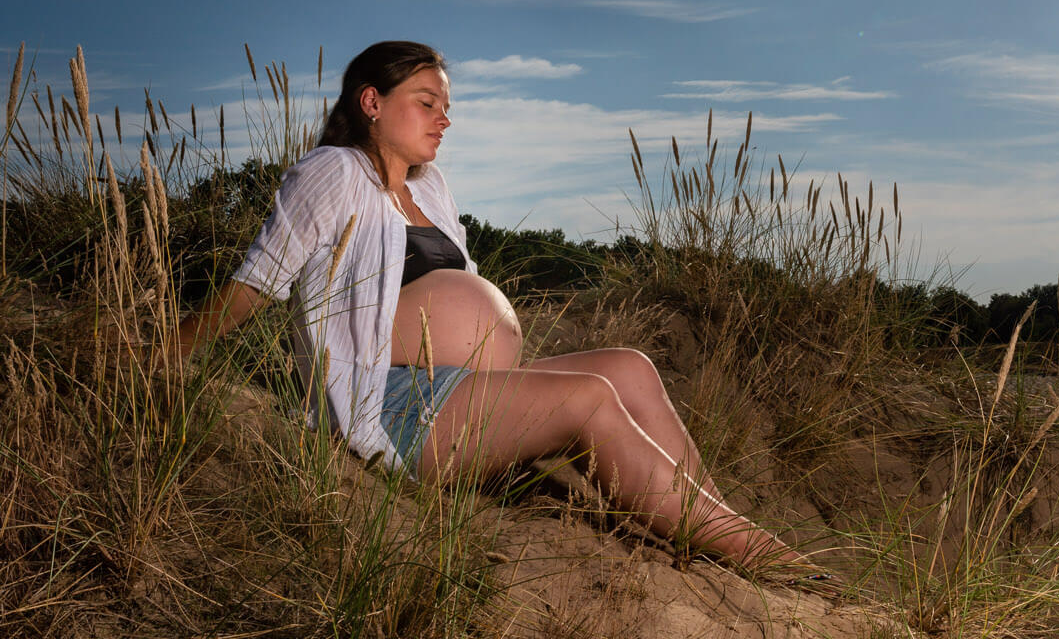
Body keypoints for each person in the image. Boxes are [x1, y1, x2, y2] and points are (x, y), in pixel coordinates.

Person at [171, 40, 807, 574]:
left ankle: (711, 525)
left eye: (446, 107)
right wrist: (165, 352)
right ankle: (754, 552)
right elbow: (258, 281)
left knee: (631, 367)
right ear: (372, 102)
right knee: (587, 397)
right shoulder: (334, 172)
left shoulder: (433, 187)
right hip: (392, 404)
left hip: (467, 389)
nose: (442, 119)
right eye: (426, 103)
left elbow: (464, 293)